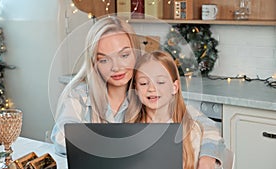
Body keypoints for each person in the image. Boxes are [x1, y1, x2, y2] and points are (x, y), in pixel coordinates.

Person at [51, 16, 225, 168]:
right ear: (94, 64)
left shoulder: (147, 93)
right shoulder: (80, 96)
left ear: (135, 53)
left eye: (124, 55)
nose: (116, 67)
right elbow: (62, 137)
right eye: (104, 59)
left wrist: (208, 157)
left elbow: (203, 124)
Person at [127, 50, 225, 168]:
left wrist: (206, 160)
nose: (151, 88)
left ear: (174, 87)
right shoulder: (130, 129)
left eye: (160, 82)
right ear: (136, 89)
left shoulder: (190, 131)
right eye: (143, 83)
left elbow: (209, 128)